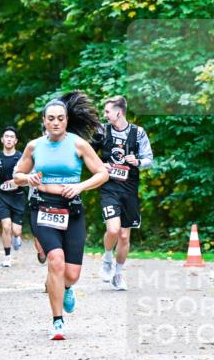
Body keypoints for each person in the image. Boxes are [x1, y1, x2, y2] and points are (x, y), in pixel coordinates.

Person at [12, 91, 108, 340]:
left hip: (72, 209)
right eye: (51, 118)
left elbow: (102, 173)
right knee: (55, 260)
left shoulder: (78, 144)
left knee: (72, 274)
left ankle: (64, 287)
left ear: (66, 120)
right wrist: (28, 178)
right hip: (42, 208)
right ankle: (57, 322)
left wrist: (80, 186)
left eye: (61, 118)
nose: (56, 122)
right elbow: (17, 176)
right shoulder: (34, 146)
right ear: (44, 120)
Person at [97, 95, 154, 291]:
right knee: (113, 229)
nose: (105, 114)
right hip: (109, 187)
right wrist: (100, 165)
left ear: (118, 112)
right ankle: (106, 259)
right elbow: (86, 153)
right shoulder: (102, 131)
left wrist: (137, 161)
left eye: (107, 111)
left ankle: (118, 275)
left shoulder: (138, 133)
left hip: (129, 189)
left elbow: (149, 159)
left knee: (124, 237)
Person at [0, 126, 26, 268]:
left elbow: (27, 178)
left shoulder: (21, 158)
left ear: (15, 141)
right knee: (6, 226)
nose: (9, 139)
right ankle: (7, 257)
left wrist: (16, 181)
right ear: (2, 139)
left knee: (16, 230)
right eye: (6, 136)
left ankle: (16, 236)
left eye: (11, 137)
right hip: (2, 197)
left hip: (18, 197)